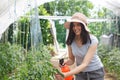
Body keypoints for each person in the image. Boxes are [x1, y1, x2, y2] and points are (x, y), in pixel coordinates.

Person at [55, 12, 105, 80]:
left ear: (84, 26)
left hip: (96, 72)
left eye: (78, 25)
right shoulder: (71, 41)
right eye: (73, 25)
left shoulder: (92, 40)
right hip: (80, 73)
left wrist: (65, 75)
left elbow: (85, 64)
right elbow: (71, 59)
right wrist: (65, 62)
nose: (75, 28)